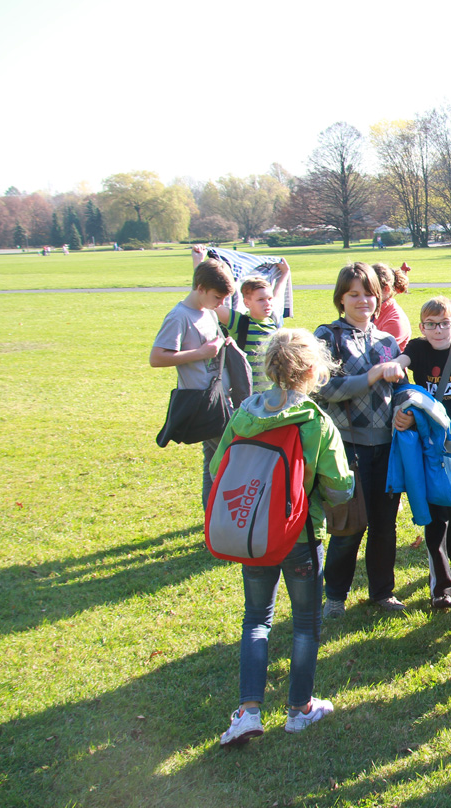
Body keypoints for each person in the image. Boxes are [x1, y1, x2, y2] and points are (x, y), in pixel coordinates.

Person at [215, 329, 357, 746]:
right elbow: (340, 488)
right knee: (305, 623)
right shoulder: (316, 422)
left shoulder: (245, 414)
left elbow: (218, 468)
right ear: (313, 371)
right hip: (300, 534)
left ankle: (248, 712)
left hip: (253, 533)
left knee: (256, 619)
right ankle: (299, 709)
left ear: (268, 366)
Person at [313, 263, 409, 616]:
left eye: (369, 293)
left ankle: (382, 592)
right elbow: (322, 389)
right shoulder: (328, 337)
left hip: (386, 447)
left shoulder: (386, 341)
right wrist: (370, 376)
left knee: (385, 526)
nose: (362, 300)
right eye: (353, 294)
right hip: (347, 448)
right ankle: (335, 597)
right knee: (349, 526)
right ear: (341, 298)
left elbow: (401, 388)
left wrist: (407, 410)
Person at [393, 296, 451, 606]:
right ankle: (441, 587)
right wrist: (396, 365)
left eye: (445, 323)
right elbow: (403, 361)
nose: (438, 330)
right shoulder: (418, 349)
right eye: (431, 324)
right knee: (436, 515)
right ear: (421, 327)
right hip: (431, 443)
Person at [149, 257, 235, 507]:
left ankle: (212, 518)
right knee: (231, 456)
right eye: (217, 297)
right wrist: (200, 353)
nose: (220, 303)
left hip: (219, 397)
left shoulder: (207, 312)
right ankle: (223, 517)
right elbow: (156, 358)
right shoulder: (179, 317)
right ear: (200, 288)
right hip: (202, 402)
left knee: (212, 459)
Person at [215, 261, 291, 393]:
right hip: (247, 395)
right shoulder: (239, 322)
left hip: (272, 394)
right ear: (247, 303)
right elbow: (211, 303)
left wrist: (285, 273)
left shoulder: (274, 320)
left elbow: (278, 294)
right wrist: (198, 263)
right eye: (261, 300)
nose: (267, 303)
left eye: (269, 298)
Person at [371, 262, 412, 350]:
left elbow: (377, 353)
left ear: (386, 289)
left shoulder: (395, 319)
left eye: (369, 290)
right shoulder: (370, 312)